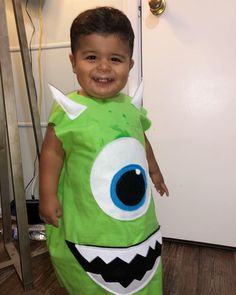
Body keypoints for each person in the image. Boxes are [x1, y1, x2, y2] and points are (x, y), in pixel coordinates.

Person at [39, 6, 169, 295]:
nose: (103, 67)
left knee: (137, 257)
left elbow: (141, 140)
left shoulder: (130, 108)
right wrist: (47, 196)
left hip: (131, 216)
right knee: (93, 272)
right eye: (91, 57)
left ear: (130, 65)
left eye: (115, 59)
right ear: (73, 62)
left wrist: (155, 170)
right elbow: (51, 153)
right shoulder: (69, 110)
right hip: (87, 215)